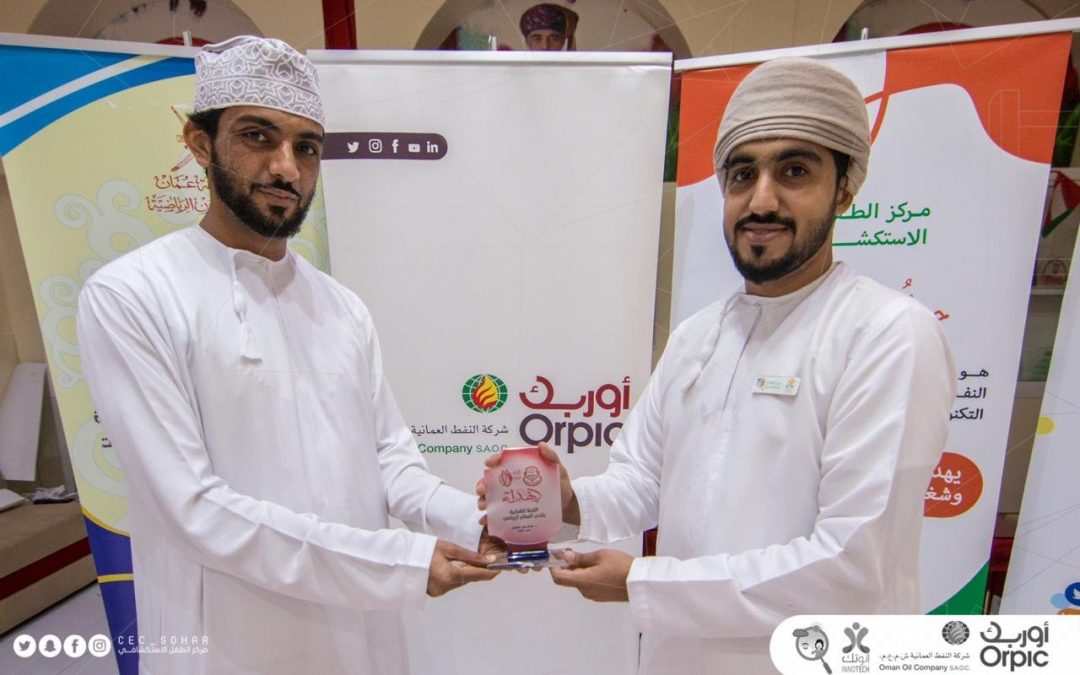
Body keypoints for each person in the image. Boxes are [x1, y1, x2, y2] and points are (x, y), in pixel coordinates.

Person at [482, 58, 956, 673]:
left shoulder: (888, 334)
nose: (762, 200)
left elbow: (850, 565)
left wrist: (645, 584)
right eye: (742, 174)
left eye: (794, 171)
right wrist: (567, 502)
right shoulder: (698, 336)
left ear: (845, 187)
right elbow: (641, 480)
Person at [77, 36, 497, 675]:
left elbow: (390, 459)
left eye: (306, 147)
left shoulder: (341, 306)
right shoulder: (133, 295)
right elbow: (191, 509)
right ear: (199, 144)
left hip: (358, 630)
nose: (286, 169)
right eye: (257, 137)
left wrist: (478, 520)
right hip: (225, 638)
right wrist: (397, 563)